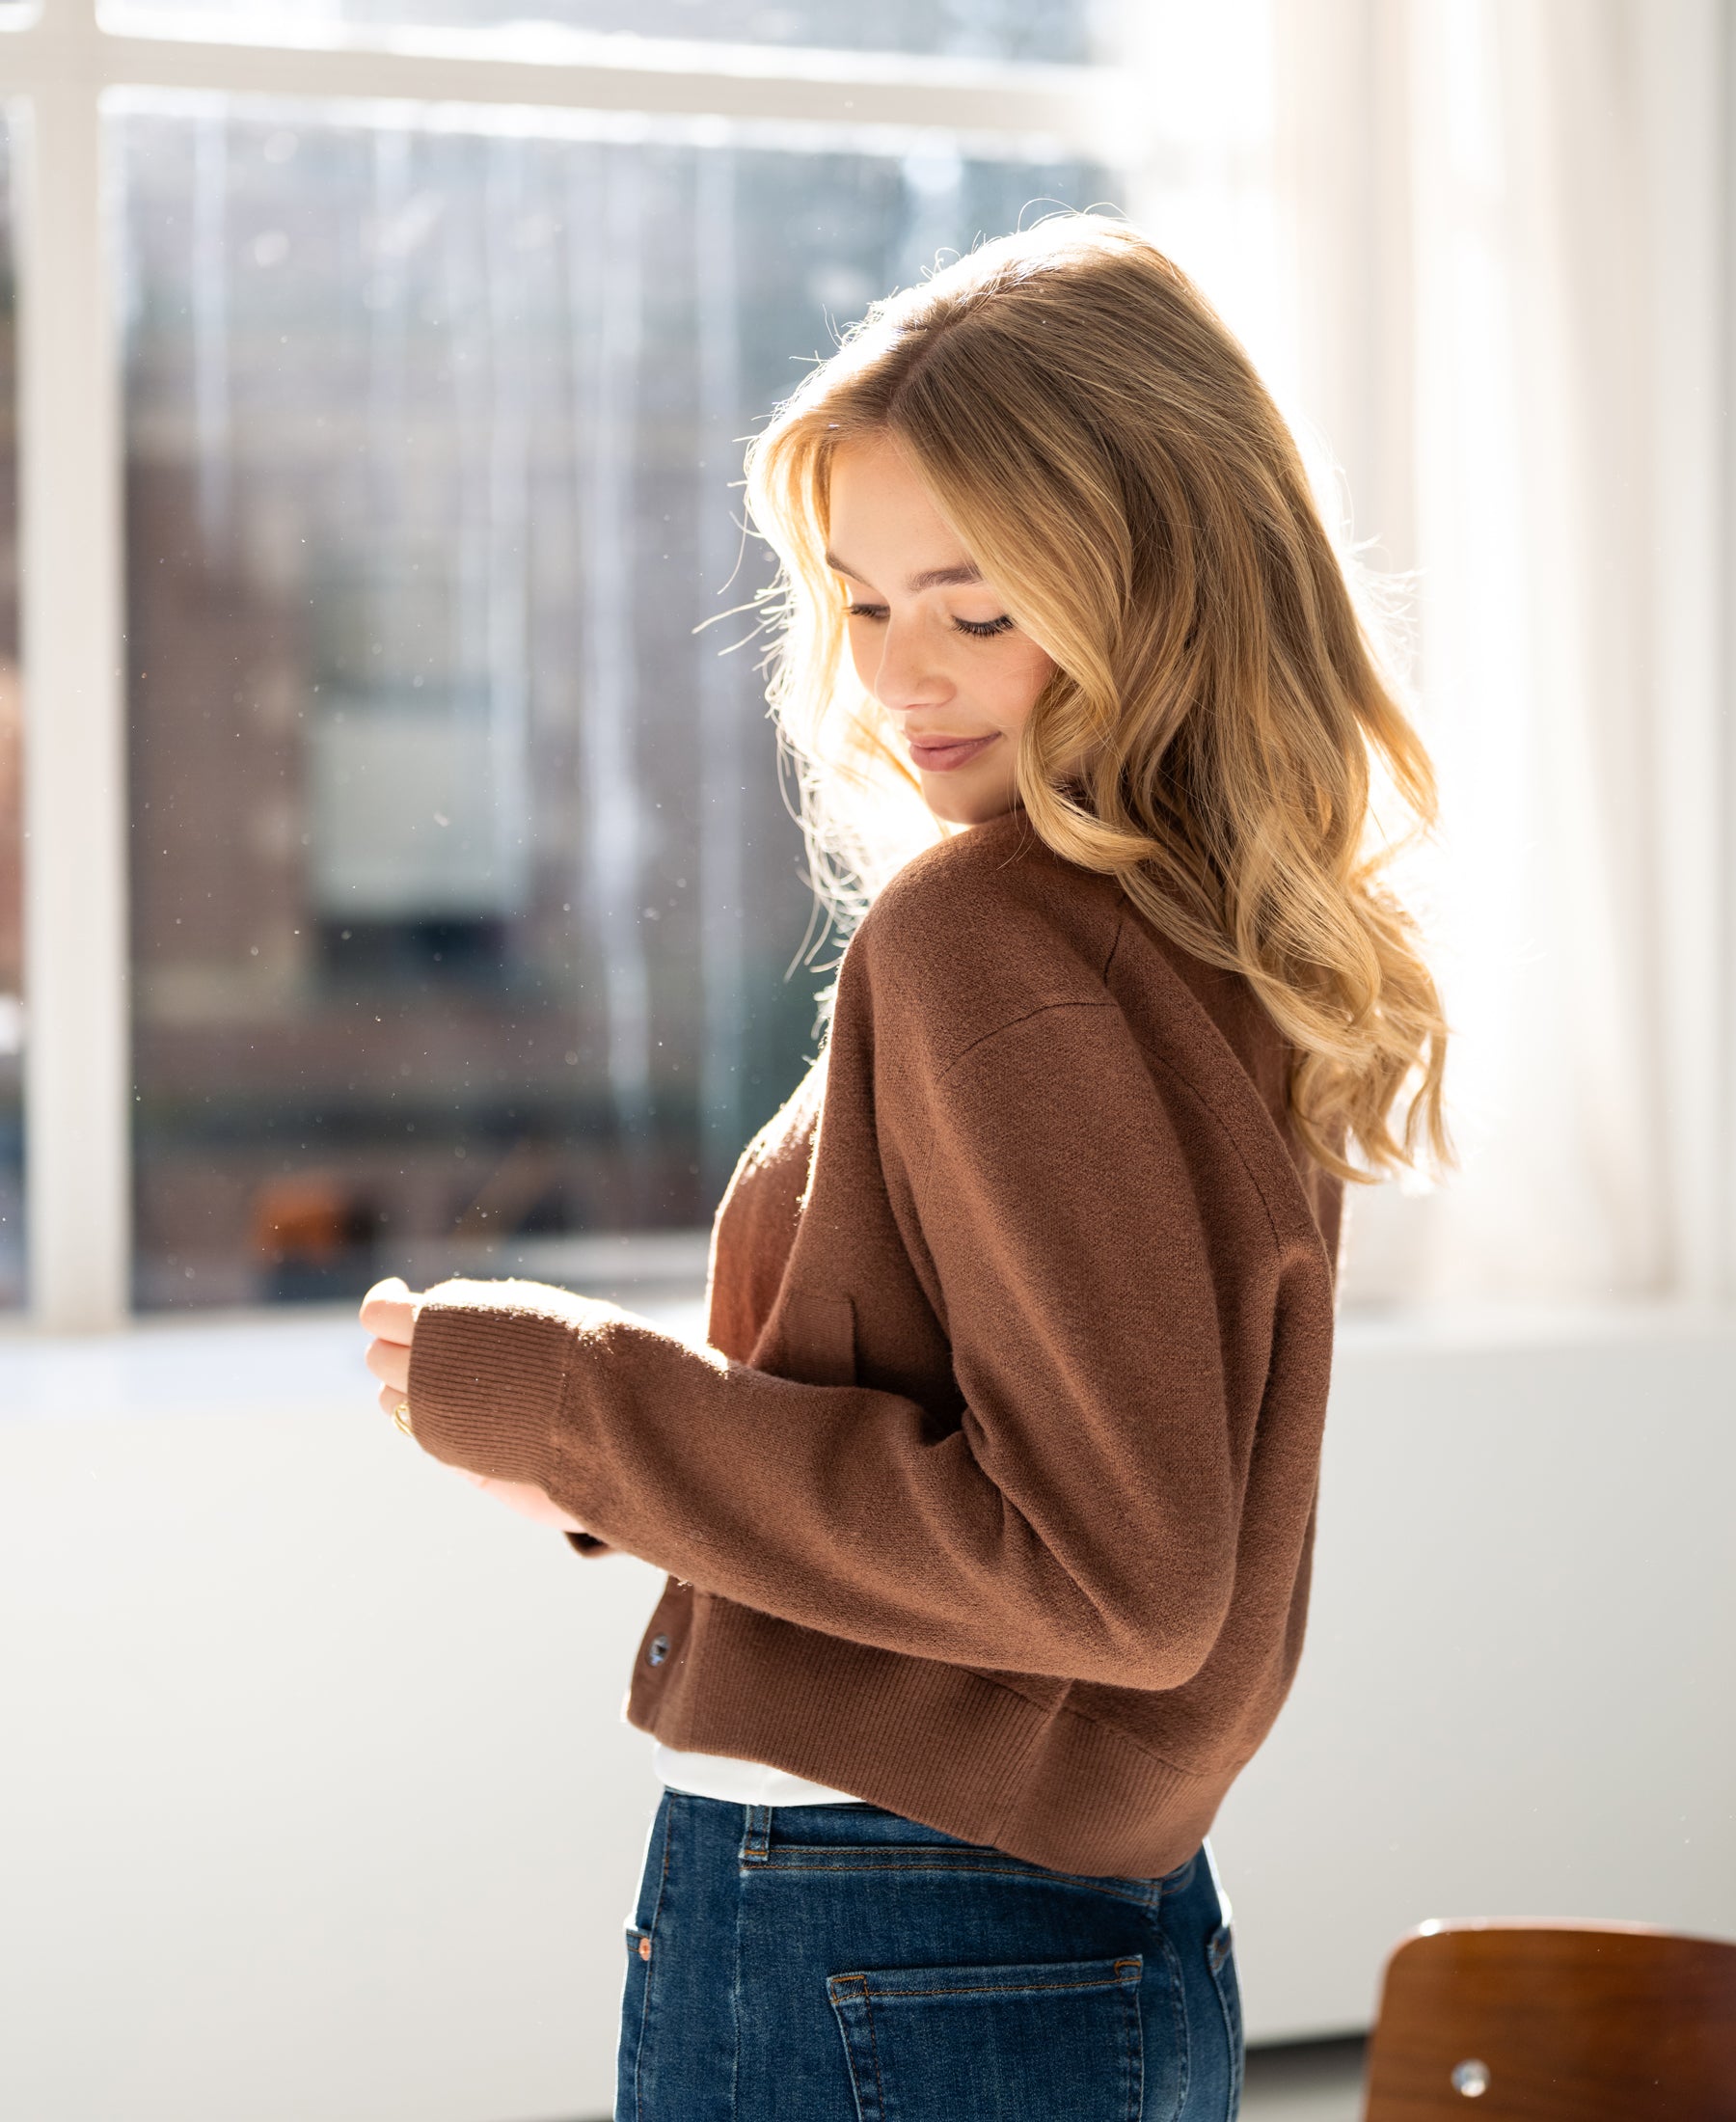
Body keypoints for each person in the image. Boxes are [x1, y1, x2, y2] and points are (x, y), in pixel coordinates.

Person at [361, 212, 1449, 2122]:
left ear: (1162, 584)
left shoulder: (989, 939)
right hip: (1029, 1934)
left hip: (883, 1927)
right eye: (860, 599)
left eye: (979, 603)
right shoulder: (1197, 931)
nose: (900, 673)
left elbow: (1114, 1573)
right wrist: (607, 1469)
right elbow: (1023, 1460)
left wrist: (582, 1402)